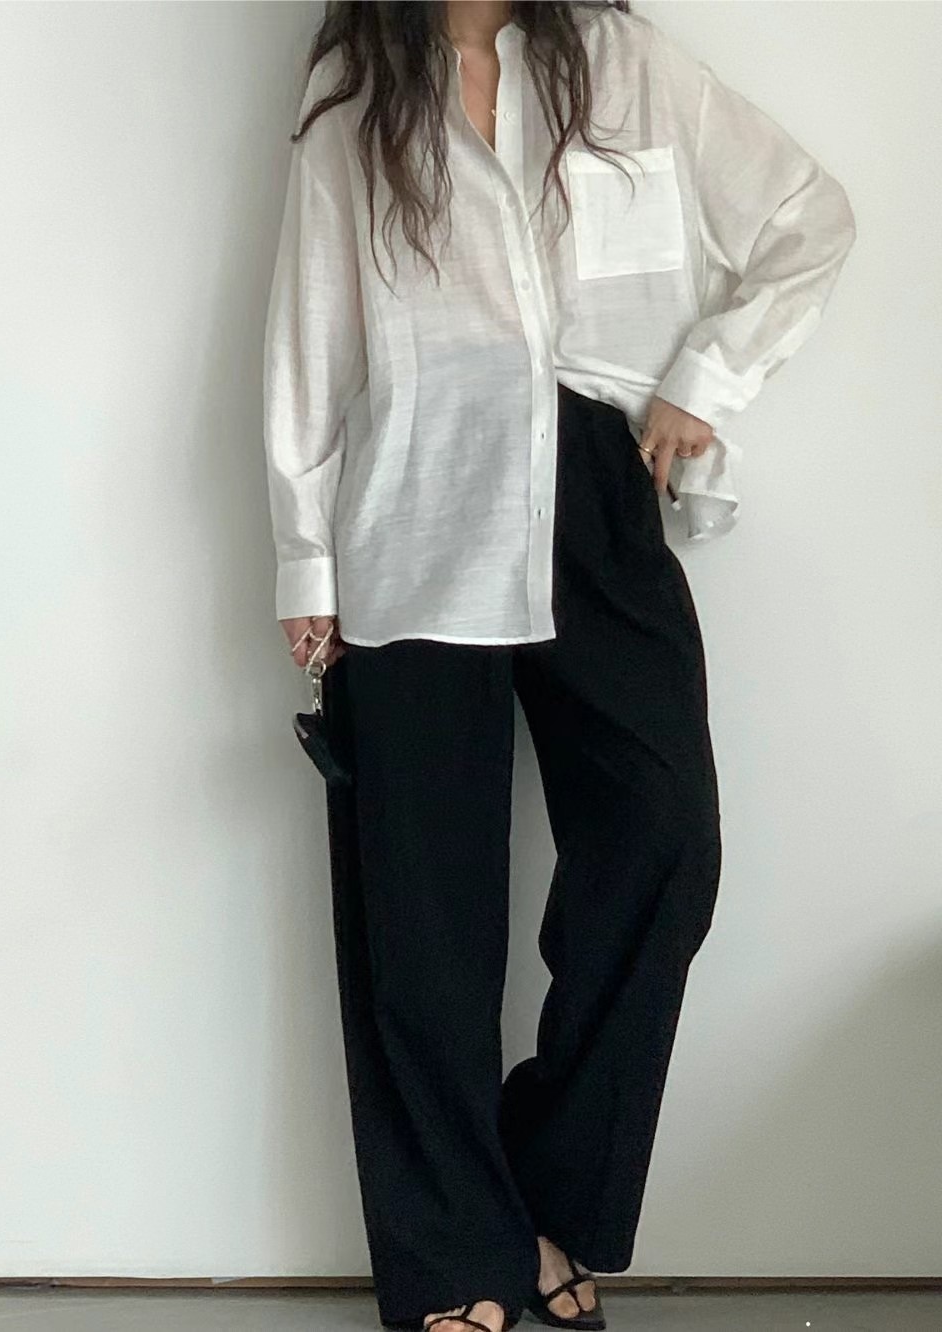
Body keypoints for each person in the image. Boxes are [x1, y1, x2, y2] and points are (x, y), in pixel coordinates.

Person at [262, 3, 856, 1330]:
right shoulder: (357, 91)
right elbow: (311, 332)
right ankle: (455, 1257)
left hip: (595, 484)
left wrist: (706, 378)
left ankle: (539, 1197)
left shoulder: (623, 62)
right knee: (423, 919)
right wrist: (308, 562)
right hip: (415, 501)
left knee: (662, 841)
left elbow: (808, 219)